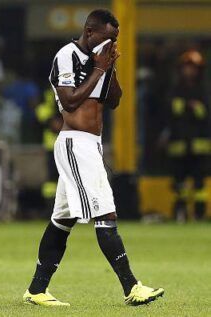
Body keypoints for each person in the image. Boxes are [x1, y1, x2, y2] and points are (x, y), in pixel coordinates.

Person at [22, 9, 164, 307]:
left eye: (115, 39)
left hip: (91, 145)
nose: (111, 43)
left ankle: (36, 290)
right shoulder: (67, 55)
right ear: (89, 32)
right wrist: (98, 69)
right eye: (107, 38)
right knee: (106, 214)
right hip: (75, 144)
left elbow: (114, 101)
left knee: (62, 220)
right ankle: (132, 287)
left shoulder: (101, 60)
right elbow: (71, 102)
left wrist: (109, 67)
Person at [162, 50, 209, 221]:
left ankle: (199, 213)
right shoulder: (175, 89)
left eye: (194, 68)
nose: (190, 71)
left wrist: (186, 107)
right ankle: (179, 213)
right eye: (187, 67)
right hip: (178, 143)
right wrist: (192, 107)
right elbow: (171, 109)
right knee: (179, 182)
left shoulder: (204, 89)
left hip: (199, 145)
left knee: (199, 184)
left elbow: (205, 112)